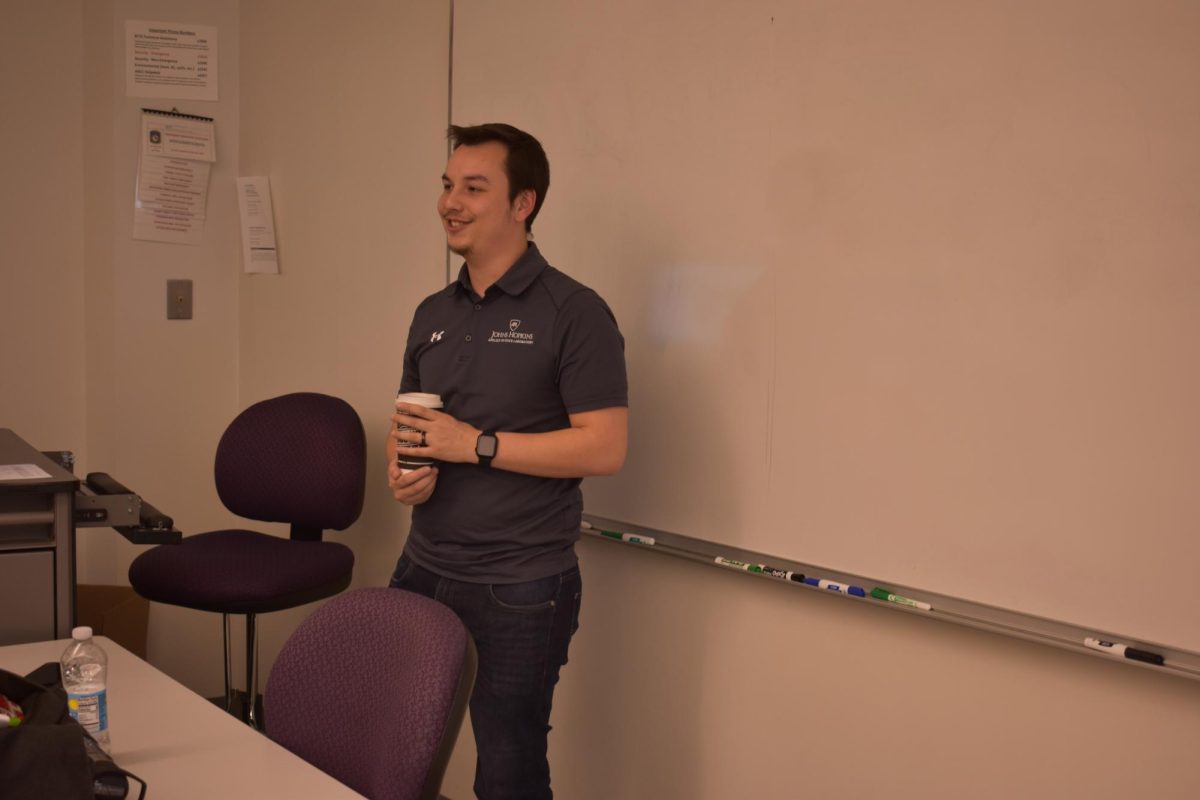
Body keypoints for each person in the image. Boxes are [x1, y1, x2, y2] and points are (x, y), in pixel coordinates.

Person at [386, 122, 628, 800]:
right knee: (387, 749)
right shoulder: (433, 310)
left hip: (521, 586)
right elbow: (408, 421)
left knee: (508, 770)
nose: (449, 203)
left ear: (523, 204)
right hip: (423, 565)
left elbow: (604, 447)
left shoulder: (574, 313)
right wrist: (401, 472)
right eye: (445, 185)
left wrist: (475, 445)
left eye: (473, 187)